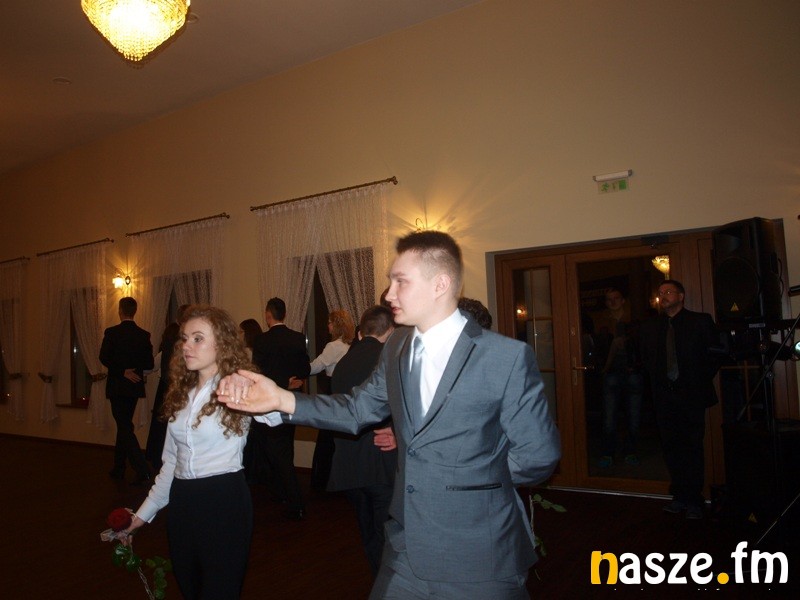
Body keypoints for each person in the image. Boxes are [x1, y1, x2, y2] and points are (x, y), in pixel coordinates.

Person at [218, 230, 561, 599]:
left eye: (401, 281)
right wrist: (281, 400)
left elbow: (538, 457)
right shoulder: (398, 345)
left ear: (440, 284)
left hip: (480, 551)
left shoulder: (504, 357)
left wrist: (471, 480)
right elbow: (356, 409)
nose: (388, 294)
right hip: (406, 546)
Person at [122, 305, 255, 600]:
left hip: (223, 500)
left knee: (220, 591)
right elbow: (172, 463)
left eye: (198, 338)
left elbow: (278, 414)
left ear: (221, 344)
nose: (186, 346)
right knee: (189, 586)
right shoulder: (181, 394)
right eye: (184, 338)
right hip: (183, 502)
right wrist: (141, 517)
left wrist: (251, 383)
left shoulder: (239, 388)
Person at [640, 280, 720, 520]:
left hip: (692, 395)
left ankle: (694, 499)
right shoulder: (651, 326)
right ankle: (679, 496)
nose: (663, 296)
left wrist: (696, 380)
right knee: (671, 447)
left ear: (681, 296)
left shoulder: (700, 321)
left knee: (692, 446)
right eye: (660, 292)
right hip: (664, 397)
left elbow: (715, 354)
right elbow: (646, 358)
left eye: (668, 291)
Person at [327, 304, 397, 577]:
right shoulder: (389, 359)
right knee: (390, 536)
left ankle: (379, 582)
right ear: (390, 331)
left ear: (359, 333)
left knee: (369, 534)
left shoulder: (342, 363)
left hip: (349, 464)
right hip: (382, 461)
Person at [251, 297, 311, 520]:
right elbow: (305, 369)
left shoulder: (262, 341)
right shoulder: (297, 338)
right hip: (292, 401)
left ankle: (294, 500)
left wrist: (280, 383)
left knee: (276, 450)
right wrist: (291, 381)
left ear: (268, 315)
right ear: (284, 314)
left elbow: (258, 373)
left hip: (269, 402)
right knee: (285, 446)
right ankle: (284, 491)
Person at [296, 309, 355, 490]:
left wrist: (297, 369)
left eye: (330, 323)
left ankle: (324, 482)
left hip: (333, 391)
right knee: (340, 439)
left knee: (326, 439)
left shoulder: (334, 346)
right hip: (346, 393)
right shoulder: (351, 345)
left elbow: (316, 366)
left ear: (336, 325)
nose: (327, 326)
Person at [100, 297, 154, 486]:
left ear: (120, 311)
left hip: (117, 385)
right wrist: (134, 370)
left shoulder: (112, 333)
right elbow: (149, 363)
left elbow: (104, 357)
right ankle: (119, 467)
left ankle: (142, 468)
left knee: (124, 427)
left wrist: (123, 371)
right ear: (135, 311)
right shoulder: (143, 335)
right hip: (133, 386)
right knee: (124, 426)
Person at [594, 288, 643, 468]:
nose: (613, 302)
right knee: (609, 416)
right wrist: (603, 368)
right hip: (611, 373)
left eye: (616, 298)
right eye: (609, 299)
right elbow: (598, 348)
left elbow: (642, 345)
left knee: (634, 416)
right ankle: (608, 453)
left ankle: (630, 451)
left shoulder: (634, 319)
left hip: (633, 372)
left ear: (623, 300)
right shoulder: (601, 322)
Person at [144, 320, 180, 471]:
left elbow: (150, 367)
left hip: (164, 389)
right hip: (177, 390)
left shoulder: (165, 350)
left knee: (160, 425)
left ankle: (158, 457)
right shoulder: (182, 350)